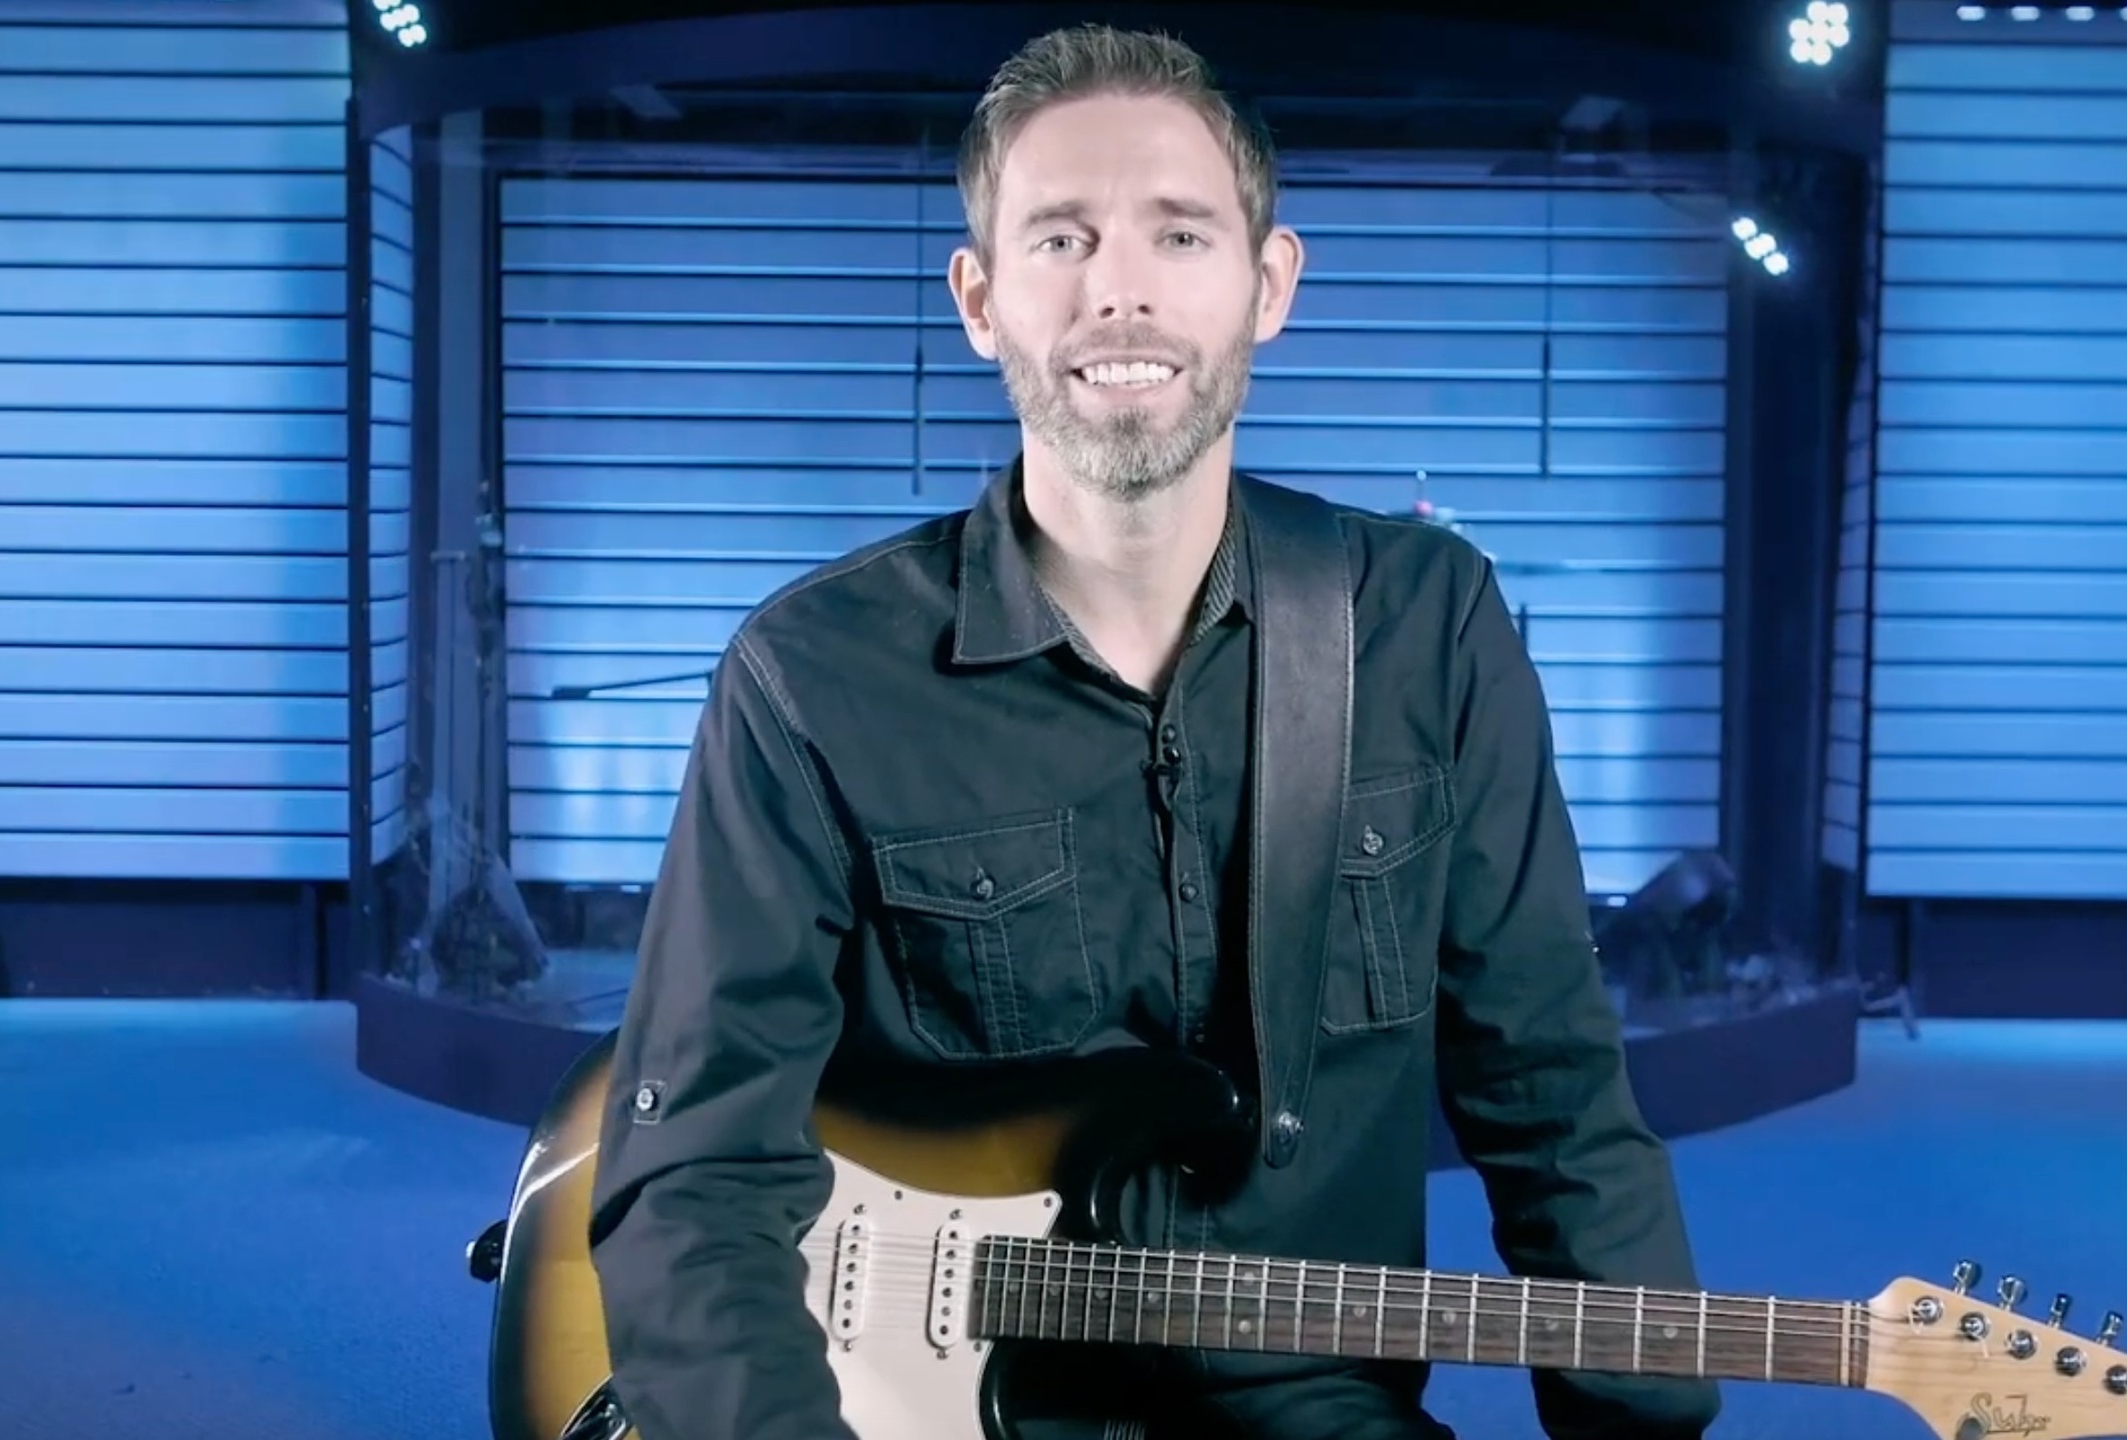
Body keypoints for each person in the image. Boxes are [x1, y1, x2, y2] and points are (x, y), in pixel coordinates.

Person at [586, 22, 1720, 1440]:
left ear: (1269, 285)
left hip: (1315, 1403)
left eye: (1180, 235)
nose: (1119, 290)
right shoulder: (809, 676)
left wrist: (1641, 1418)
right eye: (1061, 238)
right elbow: (693, 1179)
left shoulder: (1428, 627)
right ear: (980, 300)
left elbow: (1551, 1084)